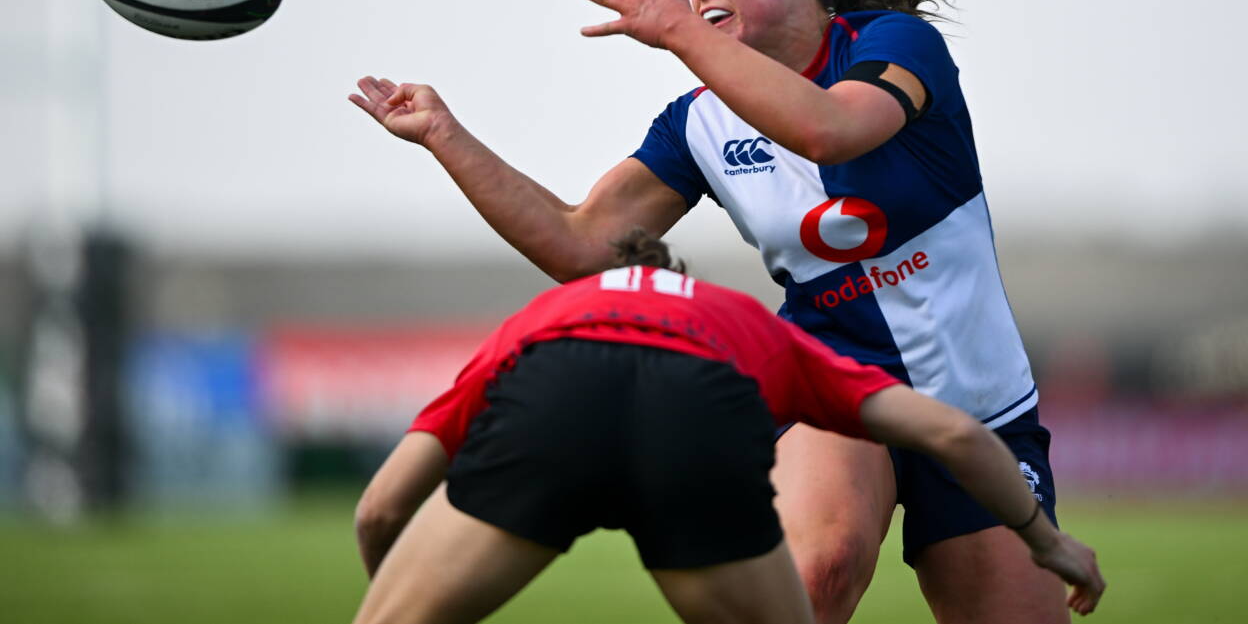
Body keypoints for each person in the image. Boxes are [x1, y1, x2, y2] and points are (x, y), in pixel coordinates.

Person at [349, 0, 1074, 623]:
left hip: (982, 404)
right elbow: (580, 245)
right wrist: (446, 135)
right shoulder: (698, 122)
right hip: (835, 385)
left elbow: (830, 129)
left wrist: (678, 32)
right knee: (816, 572)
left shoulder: (894, 44)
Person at [351, 232, 1103, 624]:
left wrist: (408, 590)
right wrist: (1049, 541)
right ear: (680, 280)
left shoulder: (539, 318)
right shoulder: (741, 320)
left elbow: (382, 506)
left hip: (555, 390)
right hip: (697, 400)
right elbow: (956, 435)